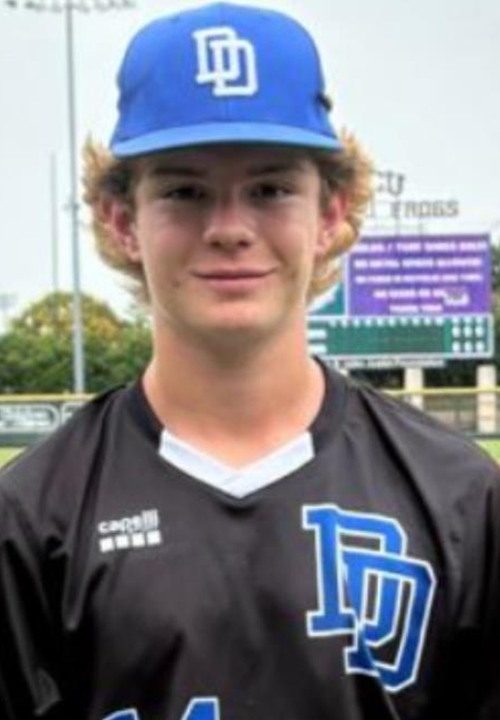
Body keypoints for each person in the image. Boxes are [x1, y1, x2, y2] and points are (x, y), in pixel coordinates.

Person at [0, 3, 499, 719]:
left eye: (270, 189)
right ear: (122, 219)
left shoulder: (462, 499)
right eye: (183, 191)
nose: (229, 228)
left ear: (331, 211)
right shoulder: (31, 518)